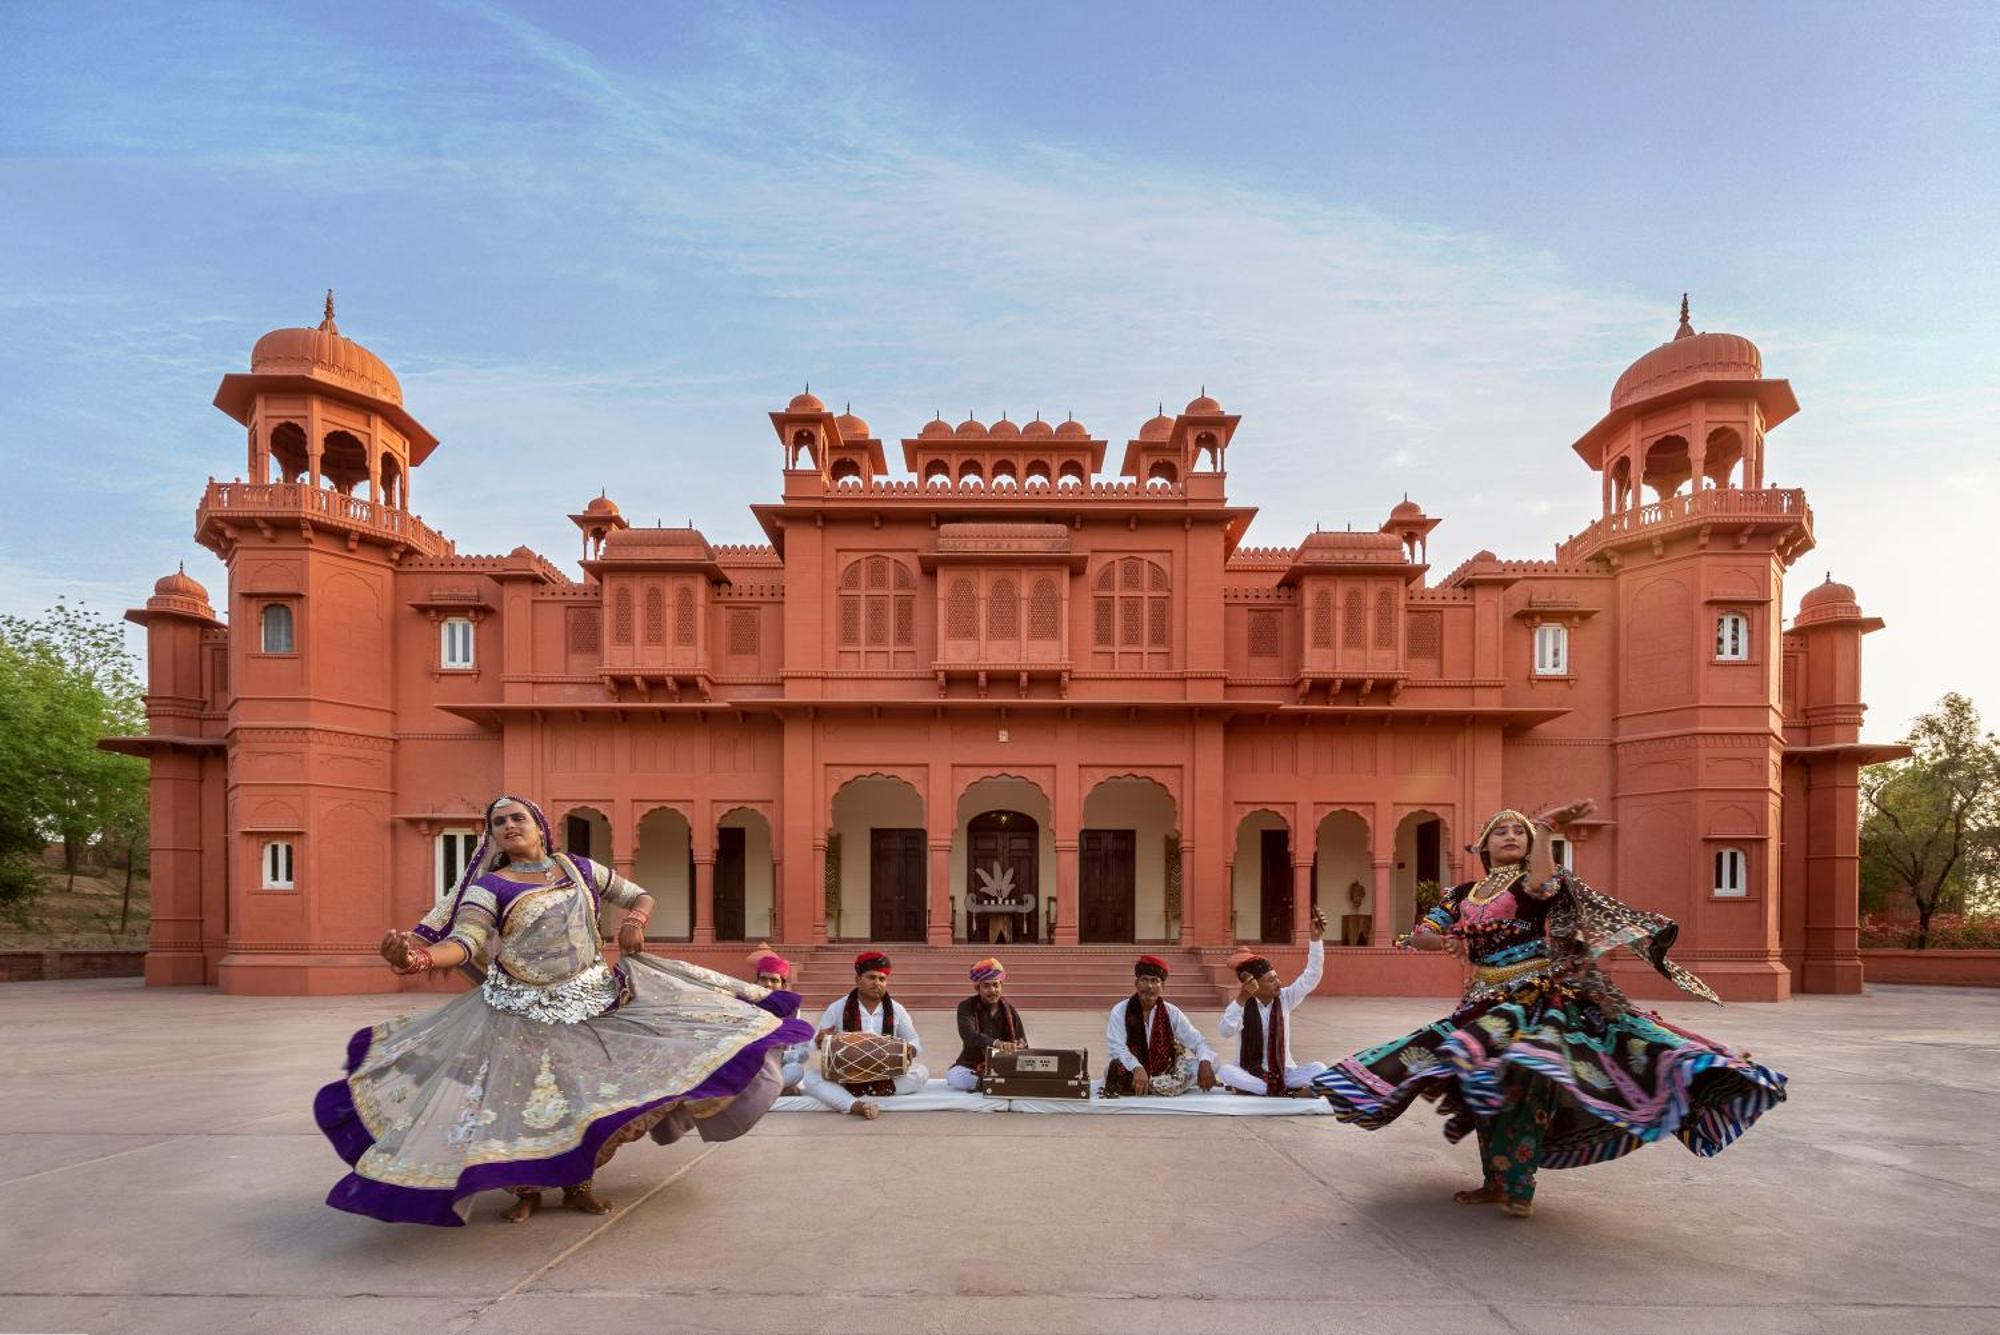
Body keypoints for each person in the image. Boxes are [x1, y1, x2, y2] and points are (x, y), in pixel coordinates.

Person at [313, 796, 810, 1227]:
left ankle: (577, 1184)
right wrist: (419, 956)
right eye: (498, 823)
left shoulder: (579, 868)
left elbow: (638, 894)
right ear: (492, 838)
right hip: (518, 1012)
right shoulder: (492, 888)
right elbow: (465, 944)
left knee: (587, 1100)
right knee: (518, 1104)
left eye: (518, 818)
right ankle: (527, 1190)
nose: (509, 827)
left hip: (593, 999)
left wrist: (635, 920)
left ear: (539, 825)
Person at [1312, 802, 1788, 1218]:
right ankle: (1495, 1183)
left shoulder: (1534, 884)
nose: (1512, 836)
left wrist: (1543, 830)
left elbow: (1544, 878)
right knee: (1486, 1088)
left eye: (1519, 830)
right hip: (1481, 1002)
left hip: (1536, 1000)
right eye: (1503, 830)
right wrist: (1442, 938)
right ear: (1482, 844)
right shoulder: (1460, 895)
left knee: (1528, 1082)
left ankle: (1520, 1187)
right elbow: (1422, 935)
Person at [799, 950, 929, 1119]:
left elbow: (915, 1040)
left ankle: (846, 1096)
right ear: (858, 980)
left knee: (921, 1073)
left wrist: (911, 1049)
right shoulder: (838, 1007)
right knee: (811, 1078)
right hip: (847, 1073)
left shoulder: (896, 1009)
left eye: (882, 979)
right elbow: (814, 1043)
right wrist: (819, 1040)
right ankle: (856, 1105)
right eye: (871, 977)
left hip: (884, 1073)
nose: (877, 983)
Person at [1218, 907, 1330, 1096]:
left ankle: (1268, 1090)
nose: (1278, 983)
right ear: (1254, 983)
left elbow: (1311, 976)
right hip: (1250, 1072)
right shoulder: (1242, 1004)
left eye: (1276, 977)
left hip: (1284, 1072)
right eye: (1271, 980)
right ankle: (1282, 1092)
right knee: (1226, 1072)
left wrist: (1315, 940)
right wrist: (1241, 1000)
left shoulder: (1285, 998)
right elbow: (1226, 1031)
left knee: (1319, 1068)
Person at [1103, 955, 1217, 1096]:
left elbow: (1198, 1042)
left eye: (1155, 981)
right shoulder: (1121, 1010)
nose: (1149, 986)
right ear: (1136, 983)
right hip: (1133, 1071)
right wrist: (1137, 1067)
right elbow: (1117, 1047)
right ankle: (1162, 1087)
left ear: (1162, 986)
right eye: (1144, 980)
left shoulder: (1171, 1012)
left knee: (1213, 1063)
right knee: (1113, 1068)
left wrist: (1205, 1062)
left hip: (1166, 1071)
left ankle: (1149, 1086)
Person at [946, 957, 1030, 1091]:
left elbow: (1023, 1042)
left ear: (1001, 986)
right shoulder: (966, 1007)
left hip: (1003, 1065)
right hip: (971, 1064)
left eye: (996, 985)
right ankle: (995, 1084)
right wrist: (997, 1043)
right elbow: (969, 1036)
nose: (992, 990)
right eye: (986, 986)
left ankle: (993, 1084)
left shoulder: (1009, 1010)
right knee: (954, 1076)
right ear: (977, 988)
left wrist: (1018, 1045)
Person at [749, 944, 810, 1094]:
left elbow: (801, 1052)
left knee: (796, 1070)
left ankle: (766, 1091)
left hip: (778, 1064)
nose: (768, 984)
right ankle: (777, 1090)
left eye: (774, 980)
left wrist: (780, 1055)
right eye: (763, 979)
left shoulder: (793, 1011)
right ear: (756, 982)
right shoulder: (746, 1005)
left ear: (783, 986)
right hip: (750, 1066)